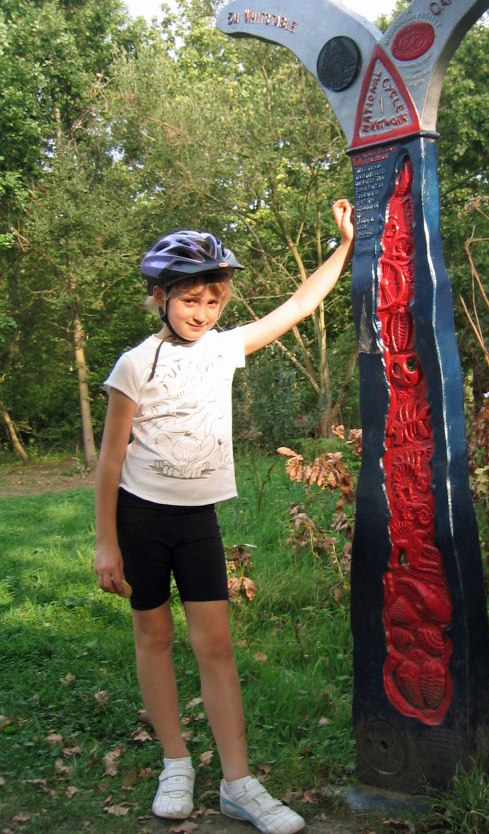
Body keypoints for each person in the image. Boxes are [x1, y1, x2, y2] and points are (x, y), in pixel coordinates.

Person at [94, 199, 354, 834]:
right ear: (161, 297)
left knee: (216, 644)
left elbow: (298, 307)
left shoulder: (224, 349)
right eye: (189, 301)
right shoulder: (135, 364)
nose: (201, 314)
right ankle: (176, 762)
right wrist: (107, 544)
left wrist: (344, 246)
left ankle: (238, 782)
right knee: (153, 637)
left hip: (197, 521)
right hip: (141, 520)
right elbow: (108, 461)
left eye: (212, 302)